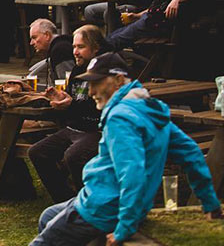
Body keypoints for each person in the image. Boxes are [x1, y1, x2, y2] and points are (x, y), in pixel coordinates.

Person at [29, 52, 221, 245]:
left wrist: (125, 227)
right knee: (48, 215)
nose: (90, 91)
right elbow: (192, 154)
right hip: (110, 202)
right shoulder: (148, 108)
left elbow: (132, 174)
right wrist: (210, 203)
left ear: (119, 80)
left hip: (102, 209)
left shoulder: (120, 117)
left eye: (96, 83)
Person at [28, 24, 108, 203]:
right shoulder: (78, 70)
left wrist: (71, 104)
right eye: (74, 47)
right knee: (37, 152)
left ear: (95, 48)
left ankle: (89, 202)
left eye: (81, 47)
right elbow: (74, 99)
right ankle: (65, 200)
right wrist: (61, 98)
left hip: (96, 130)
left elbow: (101, 107)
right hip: (74, 127)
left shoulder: (106, 70)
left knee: (74, 156)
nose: (75, 52)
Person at [26, 19, 74, 89]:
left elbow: (67, 85)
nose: (31, 43)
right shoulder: (59, 46)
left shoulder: (60, 51)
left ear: (47, 35)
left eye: (34, 37)